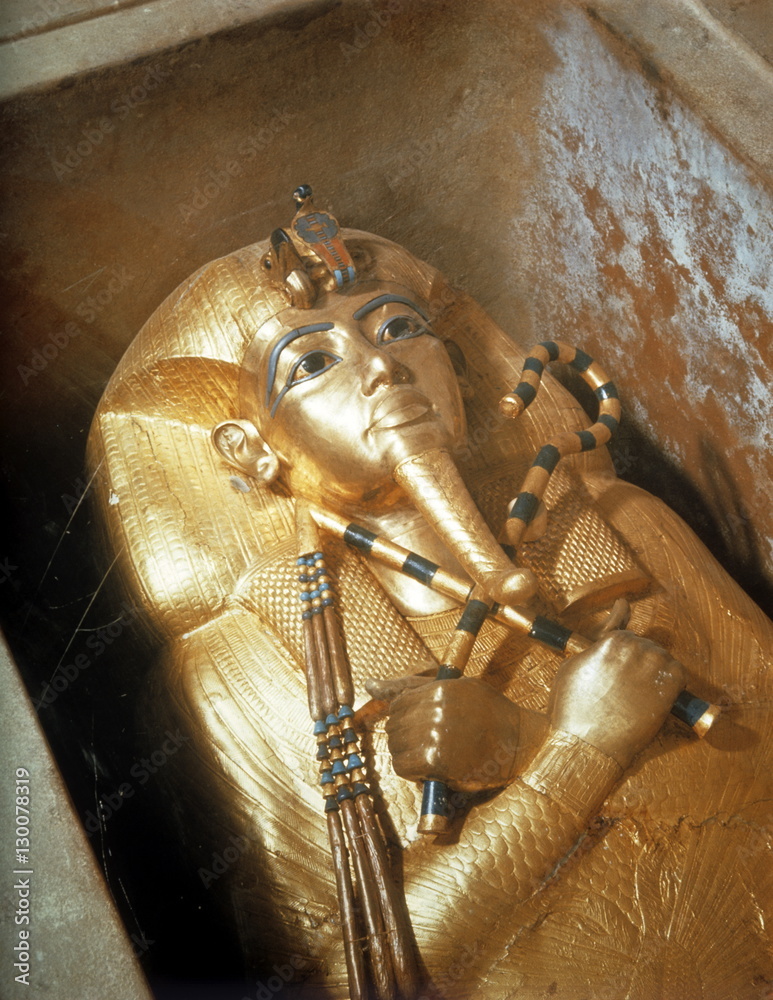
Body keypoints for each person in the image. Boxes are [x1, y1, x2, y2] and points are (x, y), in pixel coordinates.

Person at [88, 189, 773, 998]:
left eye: (398, 327)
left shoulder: (626, 524)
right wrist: (576, 755)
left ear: (455, 363)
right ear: (250, 449)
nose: (381, 366)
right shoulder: (254, 664)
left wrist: (544, 741)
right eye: (311, 363)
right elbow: (358, 977)